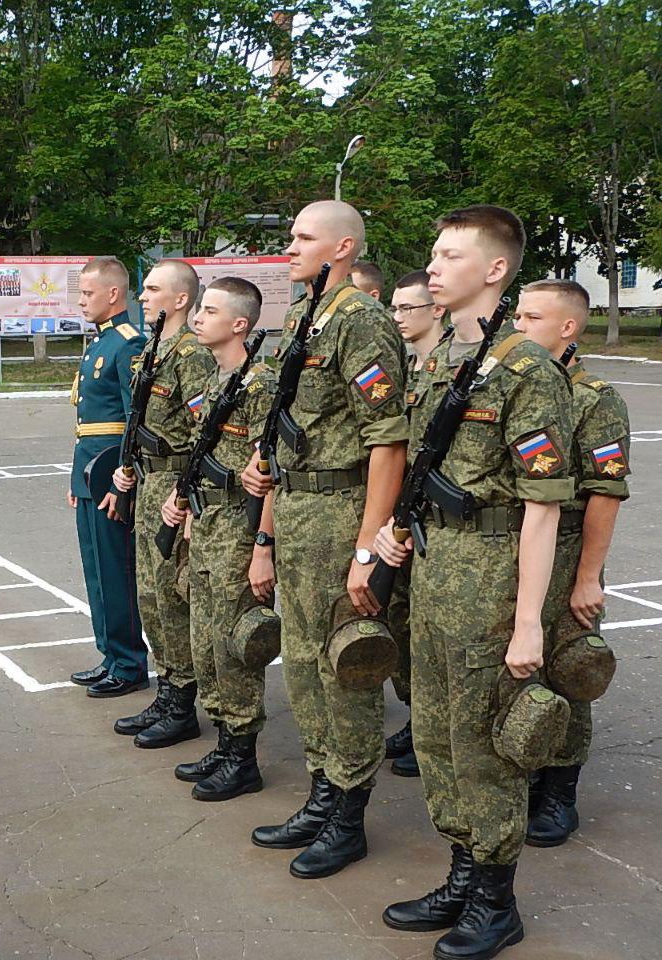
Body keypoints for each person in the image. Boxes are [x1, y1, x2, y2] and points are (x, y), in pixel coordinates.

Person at [375, 205, 572, 959]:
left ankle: (496, 899)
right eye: (433, 253)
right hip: (433, 569)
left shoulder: (528, 370)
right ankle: (462, 868)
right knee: (437, 734)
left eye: (450, 255)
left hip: (491, 579)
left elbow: (544, 509)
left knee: (485, 742)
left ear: (495, 269)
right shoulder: (443, 361)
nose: (433, 266)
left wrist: (528, 621)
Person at [240, 200, 408, 880]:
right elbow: (288, 428)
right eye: (291, 236)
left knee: (347, 668)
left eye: (303, 237)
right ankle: (322, 791)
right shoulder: (304, 318)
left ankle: (348, 815)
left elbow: (388, 439)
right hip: (300, 508)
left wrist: (369, 545)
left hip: (342, 514)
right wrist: (266, 529)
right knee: (306, 664)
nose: (290, 246)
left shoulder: (363, 322)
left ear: (341, 248)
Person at [514, 278, 630, 847]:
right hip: (513, 555)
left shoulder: (594, 397)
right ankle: (527, 769)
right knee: (521, 673)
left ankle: (559, 790)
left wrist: (587, 578)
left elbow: (605, 491)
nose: (518, 326)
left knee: (567, 672)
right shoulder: (515, 388)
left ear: (567, 328)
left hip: (566, 559)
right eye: (517, 316)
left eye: (532, 318)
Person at [162, 277, 277, 802]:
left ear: (239, 324)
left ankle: (242, 754)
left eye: (209, 310)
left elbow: (269, 471)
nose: (198, 317)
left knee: (233, 641)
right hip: (208, 523)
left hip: (238, 526)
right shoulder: (218, 380)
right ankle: (225, 736)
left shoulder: (260, 385)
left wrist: (262, 544)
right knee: (206, 638)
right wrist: (185, 512)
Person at [110, 261, 214, 747]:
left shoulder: (191, 355)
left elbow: (203, 430)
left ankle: (183, 702)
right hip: (148, 482)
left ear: (180, 300)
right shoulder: (154, 347)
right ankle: (169, 688)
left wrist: (186, 494)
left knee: (173, 595)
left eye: (153, 289)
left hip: (173, 483)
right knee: (151, 596)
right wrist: (127, 467)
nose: (144, 295)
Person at [67, 256, 149, 697]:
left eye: (87, 293)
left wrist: (122, 479)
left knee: (116, 571)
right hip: (90, 474)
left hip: (110, 479)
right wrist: (75, 479)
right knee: (97, 570)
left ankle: (130, 662)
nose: (81, 301)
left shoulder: (127, 344)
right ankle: (111, 654)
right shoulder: (99, 343)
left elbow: (133, 419)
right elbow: (87, 421)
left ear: (113, 294)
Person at [384, 269, 449, 779]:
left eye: (407, 308)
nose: (398, 317)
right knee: (402, 625)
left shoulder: (454, 373)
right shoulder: (410, 372)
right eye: (395, 308)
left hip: (443, 527)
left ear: (437, 310)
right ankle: (418, 718)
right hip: (406, 520)